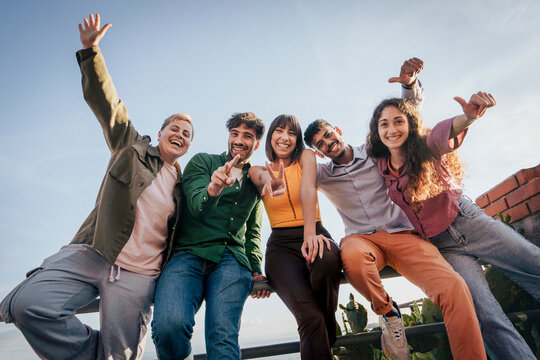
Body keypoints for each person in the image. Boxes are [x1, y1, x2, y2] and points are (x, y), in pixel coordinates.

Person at [0, 14, 194, 360]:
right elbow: (110, 106)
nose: (179, 134)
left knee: (120, 355)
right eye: (174, 128)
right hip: (94, 252)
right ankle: (95, 353)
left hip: (139, 274)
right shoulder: (130, 145)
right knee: (28, 305)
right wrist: (91, 52)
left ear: (188, 145)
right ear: (161, 132)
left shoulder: (183, 186)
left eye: (186, 134)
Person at [303, 58, 488, 360]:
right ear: (318, 151)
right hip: (362, 241)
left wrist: (409, 85)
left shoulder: (375, 151)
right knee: (349, 255)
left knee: (454, 286)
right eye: (320, 144)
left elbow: (401, 121)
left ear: (337, 130)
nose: (327, 143)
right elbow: (299, 184)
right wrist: (302, 159)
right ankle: (389, 313)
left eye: (328, 135)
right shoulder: (322, 174)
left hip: (405, 235)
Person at [366, 93, 540, 359]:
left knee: (534, 264)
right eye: (384, 124)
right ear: (376, 131)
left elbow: (443, 133)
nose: (391, 129)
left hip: (468, 222)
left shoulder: (425, 144)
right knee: (484, 315)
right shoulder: (380, 164)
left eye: (398, 121)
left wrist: (468, 117)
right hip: (444, 247)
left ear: (410, 125)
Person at [151, 112, 270, 360]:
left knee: (223, 336)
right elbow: (195, 206)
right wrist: (213, 188)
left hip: (232, 262)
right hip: (188, 254)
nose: (239, 140)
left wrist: (256, 268)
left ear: (256, 144)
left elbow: (253, 233)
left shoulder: (255, 180)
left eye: (247, 136)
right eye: (234, 134)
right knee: (168, 327)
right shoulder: (203, 162)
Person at [249, 114, 342, 359]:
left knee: (329, 259)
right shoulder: (257, 170)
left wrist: (310, 235)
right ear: (270, 137)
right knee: (310, 317)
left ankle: (327, 324)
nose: (285, 137)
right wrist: (271, 179)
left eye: (292, 133)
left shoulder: (306, 157)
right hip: (281, 247)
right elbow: (260, 177)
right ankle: (325, 328)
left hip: (315, 231)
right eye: (279, 131)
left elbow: (309, 189)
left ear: (297, 139)